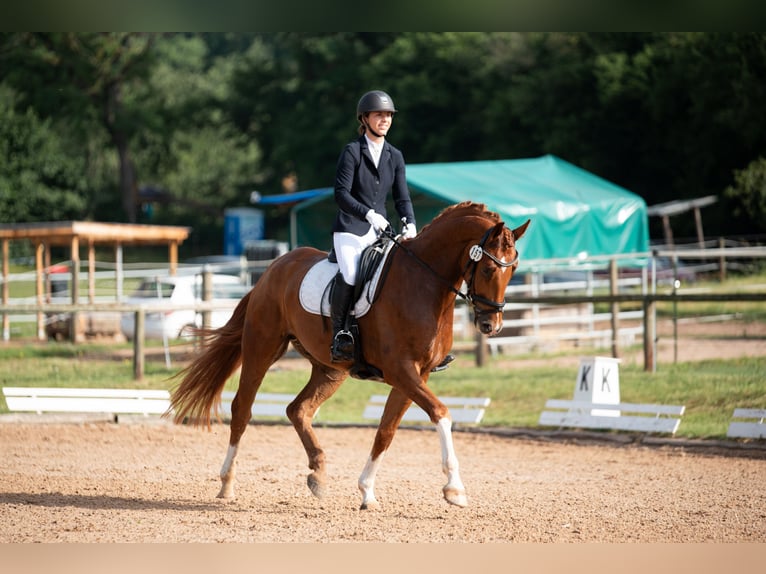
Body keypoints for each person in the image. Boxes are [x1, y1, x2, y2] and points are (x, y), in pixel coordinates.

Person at [329, 90, 417, 362]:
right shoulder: (352, 152)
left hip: (381, 231)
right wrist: (367, 213)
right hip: (350, 229)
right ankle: (340, 335)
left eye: (388, 115)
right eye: (379, 114)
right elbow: (341, 194)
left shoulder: (395, 156)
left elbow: (402, 197)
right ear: (365, 118)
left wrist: (411, 222)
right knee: (353, 274)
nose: (385, 119)